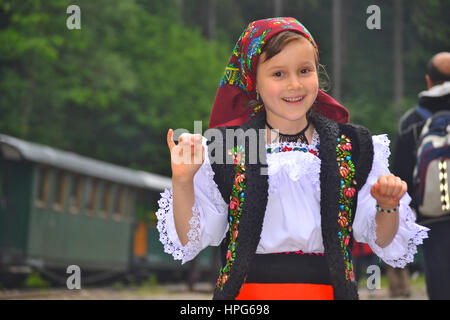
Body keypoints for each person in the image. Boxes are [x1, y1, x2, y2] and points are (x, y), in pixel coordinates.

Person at [157, 17, 429, 300]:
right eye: (278, 74)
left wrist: (388, 206)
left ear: (317, 74)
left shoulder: (352, 146)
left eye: (304, 70)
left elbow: (382, 240)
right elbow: (191, 240)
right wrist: (183, 180)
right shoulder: (227, 147)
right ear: (255, 82)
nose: (294, 84)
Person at [392, 52, 450, 299]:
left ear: (428, 81)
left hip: (431, 216)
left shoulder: (411, 122)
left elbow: (400, 175)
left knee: (439, 279)